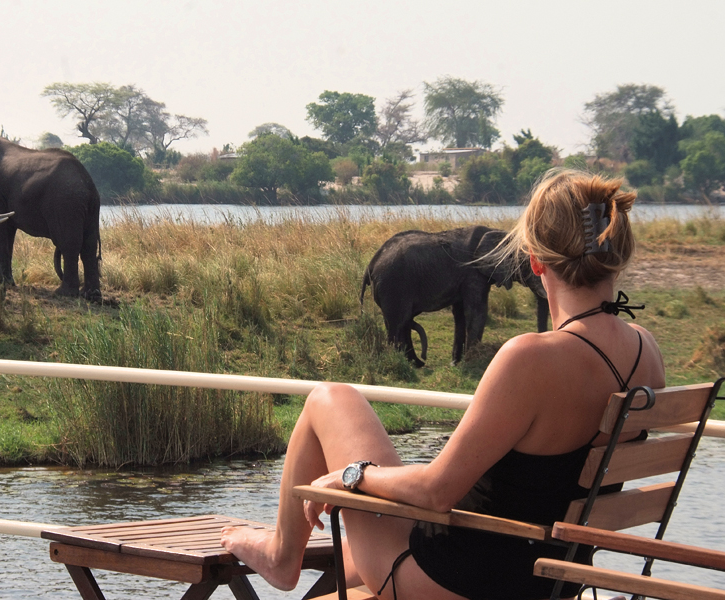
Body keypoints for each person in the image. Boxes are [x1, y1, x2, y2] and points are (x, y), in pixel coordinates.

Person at [220, 169, 666, 600]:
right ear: (616, 258)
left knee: (329, 397)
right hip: (553, 581)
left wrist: (353, 476)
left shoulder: (531, 357)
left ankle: (281, 555)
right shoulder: (647, 354)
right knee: (357, 547)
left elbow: (436, 491)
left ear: (533, 260)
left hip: (452, 583)